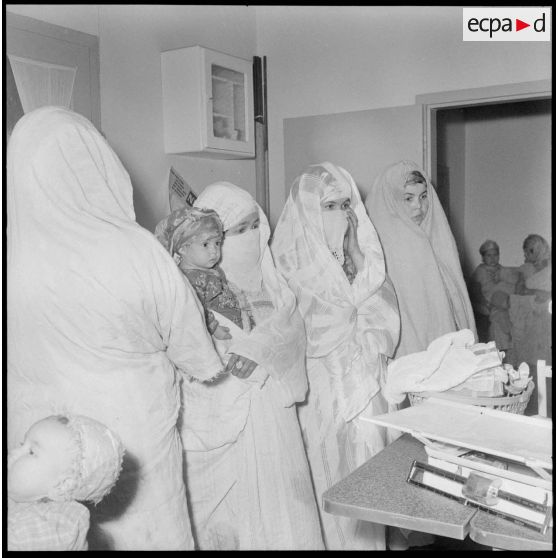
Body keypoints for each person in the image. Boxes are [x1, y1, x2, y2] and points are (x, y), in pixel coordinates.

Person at [7, 106, 224, 550]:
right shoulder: (132, 249)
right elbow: (194, 352)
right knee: (149, 533)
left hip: (38, 446)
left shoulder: (13, 254)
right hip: (131, 432)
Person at [157, 181, 324, 550]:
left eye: (255, 227)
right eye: (237, 231)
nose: (251, 237)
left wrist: (259, 350)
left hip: (272, 424)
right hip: (219, 425)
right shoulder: (186, 288)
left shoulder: (273, 284)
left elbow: (291, 332)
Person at [271, 162, 401, 550]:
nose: (341, 215)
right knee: (326, 485)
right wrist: (348, 319)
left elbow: (384, 307)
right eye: (329, 206)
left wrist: (367, 328)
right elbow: (293, 333)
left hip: (367, 390)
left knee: (369, 489)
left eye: (346, 205)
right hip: (320, 394)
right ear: (309, 210)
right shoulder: (287, 268)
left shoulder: (358, 258)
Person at [365, 160, 477, 360]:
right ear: (390, 201)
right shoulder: (379, 252)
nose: (419, 206)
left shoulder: (436, 241)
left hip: (444, 351)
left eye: (424, 196)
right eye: (408, 198)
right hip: (406, 358)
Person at [8, 414, 124, 551]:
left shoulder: (59, 523)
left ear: (62, 485)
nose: (13, 452)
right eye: (22, 444)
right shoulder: (23, 498)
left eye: (31, 452)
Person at [155, 206, 248, 340]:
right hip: (216, 336)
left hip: (236, 329)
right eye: (205, 244)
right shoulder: (187, 279)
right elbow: (192, 309)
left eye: (217, 243)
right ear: (182, 248)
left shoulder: (213, 269)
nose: (214, 251)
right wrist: (213, 327)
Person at [509, 234, 552, 369]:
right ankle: (522, 363)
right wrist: (531, 292)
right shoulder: (526, 268)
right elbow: (519, 289)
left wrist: (535, 293)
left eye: (527, 252)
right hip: (530, 303)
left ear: (535, 250)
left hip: (547, 304)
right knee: (517, 304)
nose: (525, 256)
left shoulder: (551, 267)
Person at [470, 240, 519, 353]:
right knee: (498, 316)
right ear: (483, 257)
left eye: (495, 255)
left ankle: (506, 343)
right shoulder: (480, 270)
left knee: (505, 288)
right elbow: (475, 290)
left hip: (502, 299)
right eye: (489, 255)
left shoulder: (502, 269)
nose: (492, 258)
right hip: (488, 301)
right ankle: (502, 345)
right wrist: (484, 303)